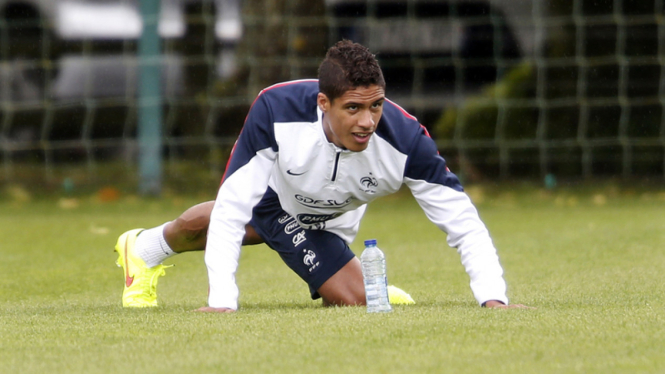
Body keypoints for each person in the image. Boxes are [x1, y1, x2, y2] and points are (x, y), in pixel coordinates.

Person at [115, 40, 528, 311]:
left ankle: (146, 246)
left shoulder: (406, 141)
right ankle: (359, 288)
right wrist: (224, 299)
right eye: (353, 108)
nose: (368, 121)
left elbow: (461, 219)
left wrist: (493, 297)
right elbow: (233, 205)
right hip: (274, 199)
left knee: (264, 235)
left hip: (332, 222)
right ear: (323, 103)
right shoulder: (276, 110)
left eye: (377, 106)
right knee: (353, 298)